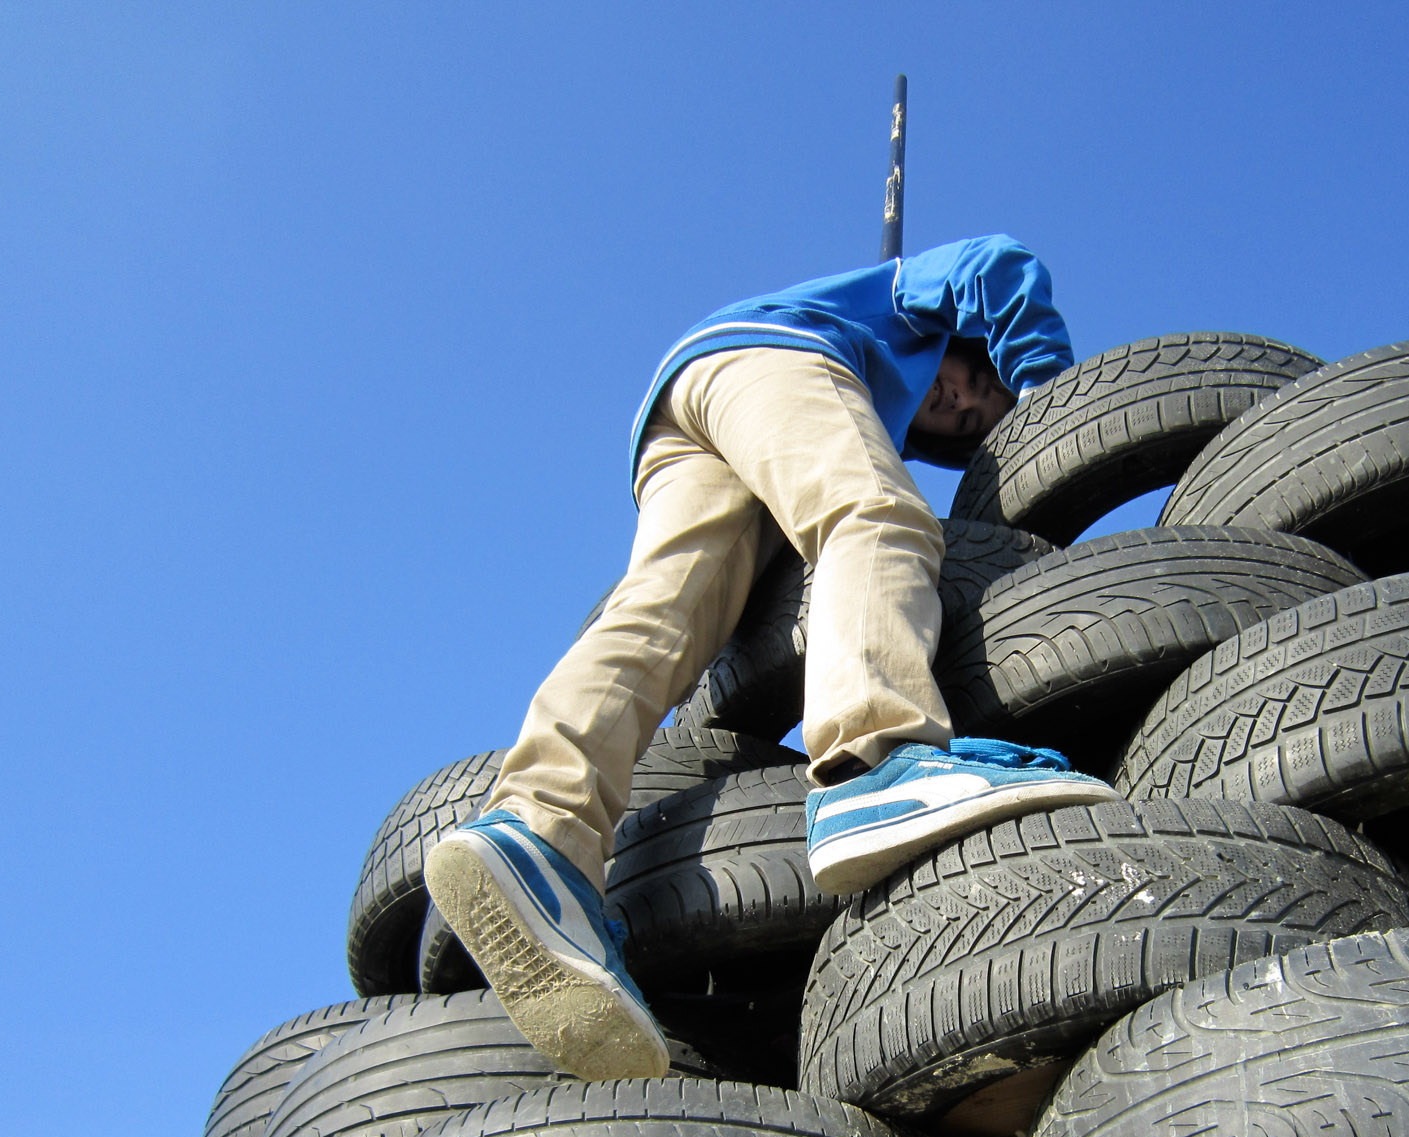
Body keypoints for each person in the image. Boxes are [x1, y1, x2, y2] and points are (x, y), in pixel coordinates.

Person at [424, 235, 1117, 1081]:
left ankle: (541, 836)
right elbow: (1001, 263)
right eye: (974, 379)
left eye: (967, 420)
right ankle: (878, 757)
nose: (959, 398)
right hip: (773, 362)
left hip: (677, 413)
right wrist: (1053, 393)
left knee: (660, 620)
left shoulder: (862, 384)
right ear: (971, 344)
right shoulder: (904, 302)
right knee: (878, 515)